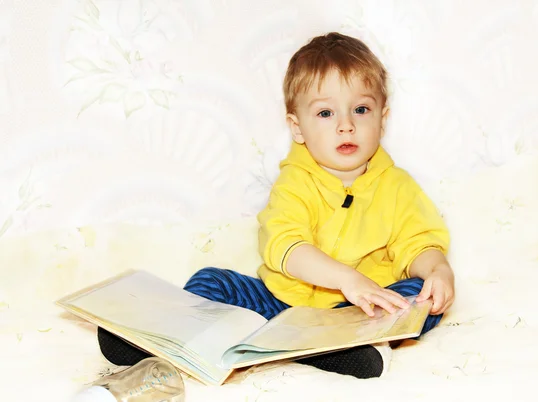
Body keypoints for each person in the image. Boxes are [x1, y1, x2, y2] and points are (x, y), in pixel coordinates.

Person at [97, 32, 455, 379]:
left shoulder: (398, 187)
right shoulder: (295, 182)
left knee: (420, 297)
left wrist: (436, 269)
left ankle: (344, 348)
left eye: (361, 109)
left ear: (382, 119)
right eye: (326, 114)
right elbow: (286, 245)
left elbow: (418, 242)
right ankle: (167, 338)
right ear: (297, 128)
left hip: (357, 311)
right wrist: (347, 279)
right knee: (211, 280)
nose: (346, 126)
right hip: (281, 303)